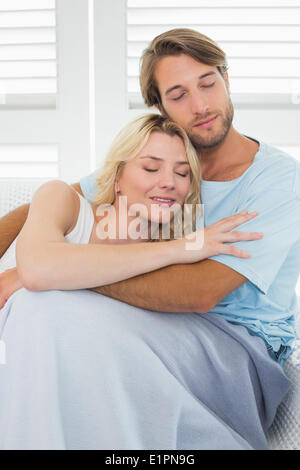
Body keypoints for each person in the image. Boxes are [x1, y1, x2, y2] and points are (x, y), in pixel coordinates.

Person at [0, 28, 299, 450]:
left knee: (45, 300)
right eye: (178, 94)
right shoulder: (160, 162)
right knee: (39, 308)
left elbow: (199, 293)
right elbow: (52, 204)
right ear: (160, 106)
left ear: (227, 81)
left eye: (208, 84)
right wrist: (34, 272)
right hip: (158, 327)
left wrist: (50, 272)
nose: (200, 105)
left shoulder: (278, 181)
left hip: (234, 350)